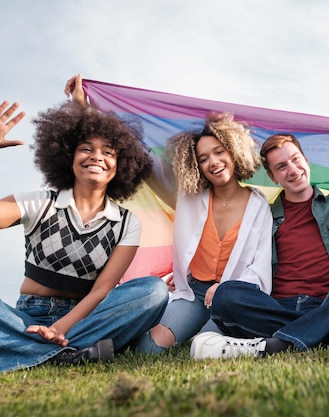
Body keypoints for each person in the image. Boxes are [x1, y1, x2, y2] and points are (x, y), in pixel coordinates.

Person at [64, 75, 273, 354]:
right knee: (148, 350)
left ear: (234, 153)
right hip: (193, 293)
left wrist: (227, 288)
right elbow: (135, 152)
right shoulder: (187, 196)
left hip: (231, 299)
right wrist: (85, 108)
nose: (213, 162)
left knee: (205, 349)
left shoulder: (259, 205)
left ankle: (209, 332)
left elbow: (260, 266)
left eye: (219, 152)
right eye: (203, 158)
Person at [190, 133, 329, 358]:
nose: (292, 169)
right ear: (272, 177)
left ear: (306, 161)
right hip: (276, 307)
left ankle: (270, 345)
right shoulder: (261, 214)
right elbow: (233, 253)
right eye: (281, 166)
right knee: (227, 295)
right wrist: (192, 274)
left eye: (295, 159)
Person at [0, 100, 169, 373]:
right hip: (26, 316)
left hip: (86, 320)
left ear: (120, 164)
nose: (97, 157)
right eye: (86, 149)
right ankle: (68, 353)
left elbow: (102, 290)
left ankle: (29, 349)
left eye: (108, 152)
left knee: (154, 291)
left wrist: (59, 328)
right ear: (69, 158)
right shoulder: (38, 202)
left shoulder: (126, 223)